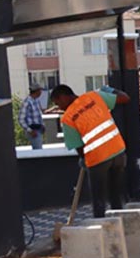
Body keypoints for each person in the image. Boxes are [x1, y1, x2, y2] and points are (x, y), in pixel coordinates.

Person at [52, 84, 130, 219]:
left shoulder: (68, 118)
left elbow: (79, 147)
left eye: (58, 102)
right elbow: (125, 98)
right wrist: (109, 89)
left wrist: (84, 160)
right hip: (118, 152)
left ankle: (101, 230)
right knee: (115, 195)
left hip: (98, 159)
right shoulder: (95, 96)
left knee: (98, 200)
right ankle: (121, 227)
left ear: (64, 96)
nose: (59, 107)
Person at [19, 85, 46, 149]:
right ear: (36, 91)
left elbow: (38, 115)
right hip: (33, 130)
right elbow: (21, 119)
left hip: (38, 129)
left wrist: (42, 125)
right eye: (40, 90)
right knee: (38, 150)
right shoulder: (27, 102)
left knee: (39, 149)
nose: (41, 92)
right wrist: (30, 131)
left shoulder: (36, 101)